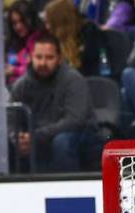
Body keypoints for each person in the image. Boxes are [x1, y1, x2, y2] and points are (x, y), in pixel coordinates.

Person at [11, 32, 98, 171]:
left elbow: (74, 121)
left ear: (59, 59)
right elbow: (11, 120)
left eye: (49, 57)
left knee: (62, 141)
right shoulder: (21, 85)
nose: (43, 63)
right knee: (3, 143)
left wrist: (36, 136)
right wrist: (17, 137)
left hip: (78, 136)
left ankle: (69, 190)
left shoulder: (73, 80)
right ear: (30, 57)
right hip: (39, 137)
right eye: (38, 57)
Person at [43, 0, 112, 78]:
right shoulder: (58, 38)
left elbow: (91, 70)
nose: (47, 27)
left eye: (49, 23)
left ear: (60, 21)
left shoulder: (90, 36)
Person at [4, 1, 44, 85]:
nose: (18, 26)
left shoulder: (41, 40)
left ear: (31, 19)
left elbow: (38, 70)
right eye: (14, 23)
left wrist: (14, 70)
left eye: (22, 21)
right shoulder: (11, 41)